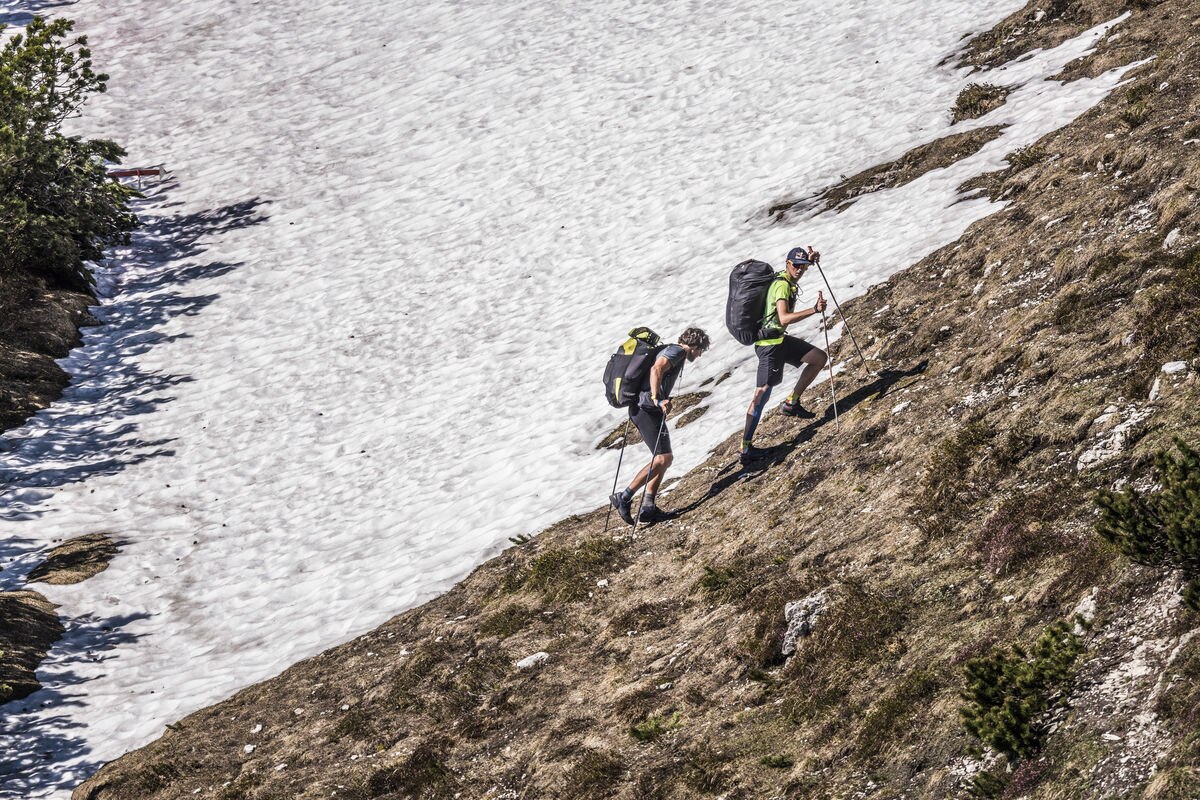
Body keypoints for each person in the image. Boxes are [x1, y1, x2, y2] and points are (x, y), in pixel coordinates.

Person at [610, 327, 711, 525]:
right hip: (646, 408)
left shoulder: (671, 350)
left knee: (664, 458)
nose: (699, 355)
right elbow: (656, 369)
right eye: (701, 350)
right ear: (695, 345)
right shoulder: (677, 351)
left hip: (646, 408)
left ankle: (648, 507)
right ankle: (624, 496)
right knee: (663, 458)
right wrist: (658, 399)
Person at [740, 246, 828, 465]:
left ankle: (791, 403)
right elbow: (784, 318)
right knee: (761, 395)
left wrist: (810, 261)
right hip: (770, 346)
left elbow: (782, 321)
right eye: (795, 265)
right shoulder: (781, 286)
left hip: (779, 340)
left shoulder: (787, 279)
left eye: (802, 266)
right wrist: (814, 311)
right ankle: (745, 449)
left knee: (818, 358)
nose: (799, 269)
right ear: (787, 264)